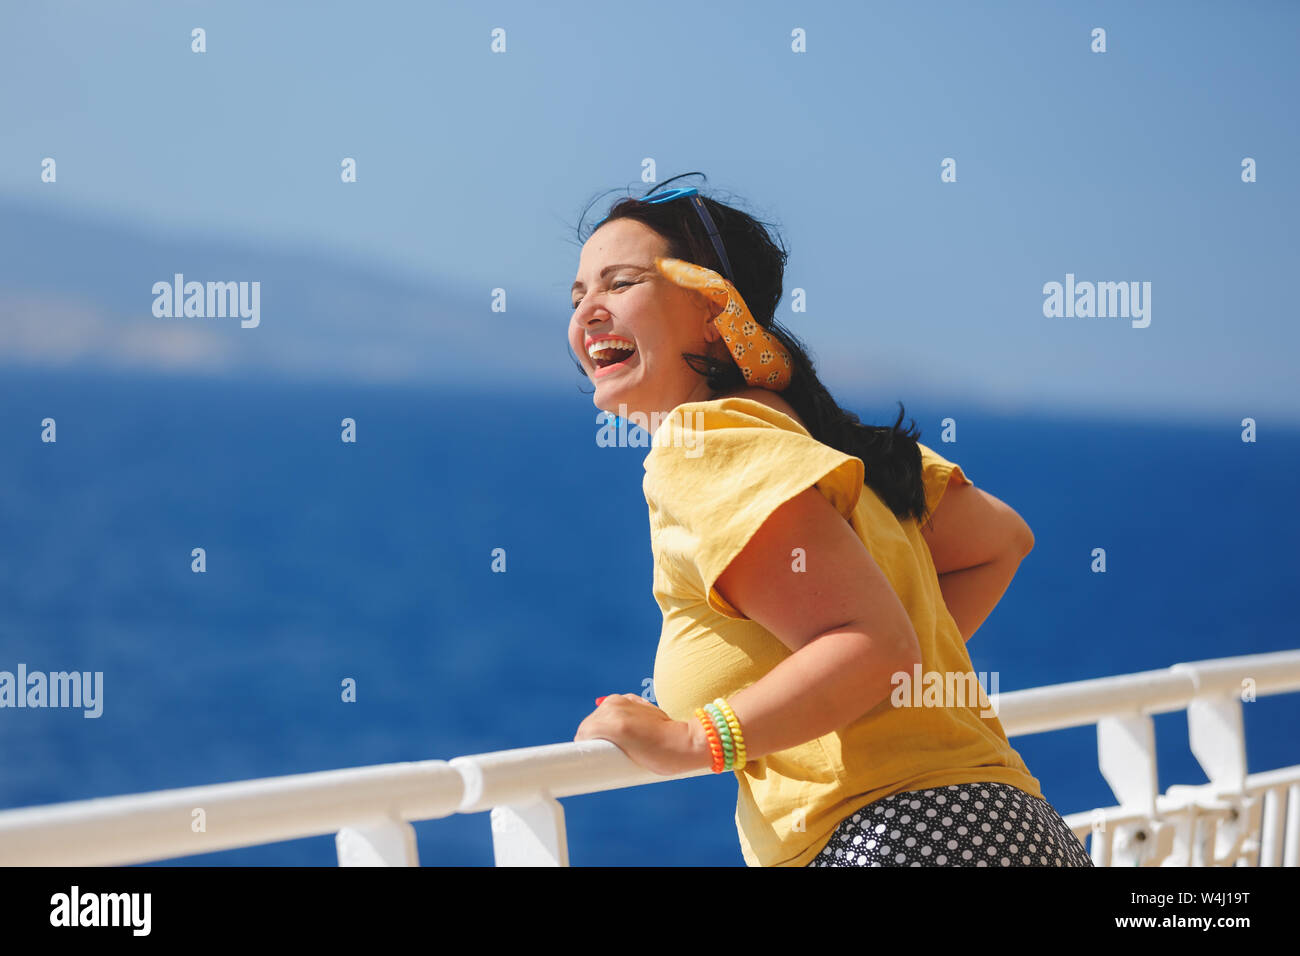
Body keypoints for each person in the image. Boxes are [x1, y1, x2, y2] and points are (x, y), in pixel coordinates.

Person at [570, 173, 1092, 868]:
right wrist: (856, 683)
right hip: (1012, 827)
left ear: (712, 312)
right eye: (578, 296)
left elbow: (874, 645)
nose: (589, 312)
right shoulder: (833, 446)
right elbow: (1000, 541)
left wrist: (694, 741)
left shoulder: (706, 443)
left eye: (620, 283)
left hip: (896, 843)